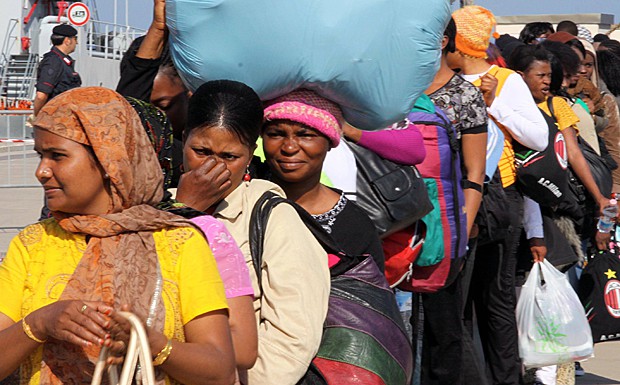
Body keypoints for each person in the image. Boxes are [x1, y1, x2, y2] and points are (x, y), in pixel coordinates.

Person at [0, 87, 236, 384]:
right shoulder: (33, 245)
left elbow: (220, 371)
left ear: (109, 161)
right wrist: (37, 324)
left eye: (57, 156)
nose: (41, 171)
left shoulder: (179, 243)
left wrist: (149, 343)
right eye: (40, 156)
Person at [175, 80, 330, 385]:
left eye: (229, 157)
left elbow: (291, 342)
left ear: (249, 154)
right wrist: (183, 211)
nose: (214, 167)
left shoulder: (273, 217)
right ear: (184, 140)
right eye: (201, 151)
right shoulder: (157, 207)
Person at [448, 6, 549, 385]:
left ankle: (506, 379)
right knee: (458, 304)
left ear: (461, 42)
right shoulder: (439, 79)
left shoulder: (504, 79)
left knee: (497, 303)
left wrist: (493, 105)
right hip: (456, 194)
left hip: (498, 198)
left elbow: (538, 138)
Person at [423, 17, 489, 385]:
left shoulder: (465, 95)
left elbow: (474, 173)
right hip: (396, 225)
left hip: (448, 227)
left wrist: (459, 231)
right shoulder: (394, 90)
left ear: (443, 40)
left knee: (444, 329)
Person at [261, 89, 385, 269]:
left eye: (305, 135)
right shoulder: (239, 199)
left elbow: (369, 292)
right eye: (276, 134)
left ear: (329, 143)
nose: (289, 147)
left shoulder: (354, 225)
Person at [33, 24, 82, 116]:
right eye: (75, 39)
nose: (77, 43)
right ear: (67, 41)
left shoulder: (63, 61)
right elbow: (41, 96)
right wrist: (38, 117)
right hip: (57, 118)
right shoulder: (53, 61)